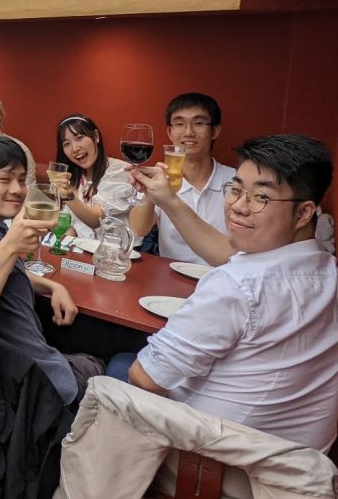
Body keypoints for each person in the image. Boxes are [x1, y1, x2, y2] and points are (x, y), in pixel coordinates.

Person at [127, 134, 338, 452]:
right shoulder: (327, 270)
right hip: (296, 469)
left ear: (304, 213)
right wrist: (169, 199)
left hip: (210, 466)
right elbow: (231, 257)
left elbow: (145, 378)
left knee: (114, 367)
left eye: (260, 198)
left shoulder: (236, 285)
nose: (238, 207)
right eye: (236, 190)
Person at [0, 135, 105, 406]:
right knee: (105, 359)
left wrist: (53, 286)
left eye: (21, 180)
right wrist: (10, 245)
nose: (17, 189)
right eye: (5, 179)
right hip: (31, 379)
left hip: (0, 365)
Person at [129, 93, 235, 264]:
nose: (188, 132)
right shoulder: (160, 181)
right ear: (170, 132)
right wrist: (150, 192)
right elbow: (138, 229)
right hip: (170, 281)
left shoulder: (236, 182)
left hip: (221, 280)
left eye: (199, 123)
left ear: (214, 130)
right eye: (179, 124)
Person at [54, 114, 133, 239]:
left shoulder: (118, 171)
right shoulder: (74, 178)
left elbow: (97, 220)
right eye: (66, 144)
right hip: (82, 253)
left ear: (96, 137)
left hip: (115, 254)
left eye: (79, 137)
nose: (75, 148)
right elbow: (69, 226)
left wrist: (68, 196)